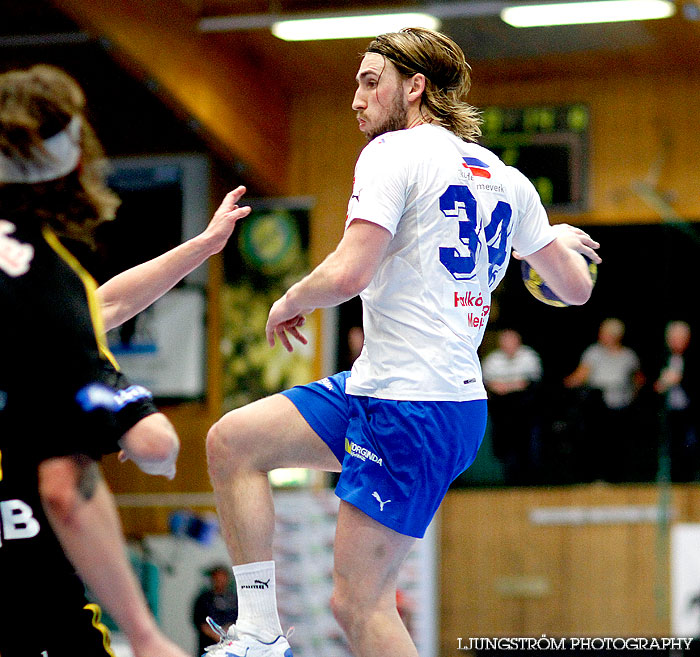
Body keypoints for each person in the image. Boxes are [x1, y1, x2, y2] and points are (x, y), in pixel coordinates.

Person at [205, 27, 600, 657]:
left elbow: (349, 271)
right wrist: (552, 239)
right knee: (233, 443)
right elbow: (575, 290)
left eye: (370, 82)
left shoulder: (393, 154)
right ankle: (258, 629)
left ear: (415, 87)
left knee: (358, 604)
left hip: (414, 407)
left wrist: (289, 300)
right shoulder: (509, 181)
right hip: (389, 389)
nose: (357, 100)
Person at [0, 64, 250, 656]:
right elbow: (70, 485)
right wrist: (143, 631)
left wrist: (201, 247)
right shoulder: (43, 282)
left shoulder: (49, 296)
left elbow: (102, 304)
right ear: (77, 163)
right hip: (27, 588)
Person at [563, 317, 645, 481]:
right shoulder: (593, 353)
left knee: (619, 444)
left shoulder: (628, 355)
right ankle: (597, 477)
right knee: (598, 442)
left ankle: (619, 477)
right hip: (599, 405)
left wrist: (632, 395)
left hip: (622, 405)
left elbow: (638, 379)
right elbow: (581, 375)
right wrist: (567, 383)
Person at [482, 329, 543, 484]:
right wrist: (512, 385)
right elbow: (490, 384)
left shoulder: (529, 356)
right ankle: (507, 477)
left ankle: (528, 479)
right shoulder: (493, 360)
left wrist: (507, 386)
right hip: (501, 410)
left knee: (525, 443)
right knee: (503, 445)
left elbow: (529, 382)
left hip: (524, 409)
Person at [654, 320, 698, 481]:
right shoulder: (662, 357)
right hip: (668, 412)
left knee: (689, 448)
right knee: (670, 449)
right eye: (673, 338)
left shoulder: (692, 358)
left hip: (689, 412)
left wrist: (680, 379)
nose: (676, 342)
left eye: (681, 338)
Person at [193, 565, 239, 656]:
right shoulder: (204, 599)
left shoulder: (234, 599)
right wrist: (219, 636)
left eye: (223, 577)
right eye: (217, 578)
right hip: (208, 647)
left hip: (231, 647)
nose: (221, 581)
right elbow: (201, 623)